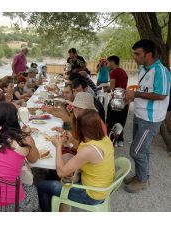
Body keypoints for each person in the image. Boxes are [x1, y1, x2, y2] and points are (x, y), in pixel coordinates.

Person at [37, 110, 115, 212]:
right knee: (65, 160)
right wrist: (72, 140)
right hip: (101, 187)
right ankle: (58, 200)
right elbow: (85, 149)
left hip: (92, 195)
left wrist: (58, 146)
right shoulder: (104, 138)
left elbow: (61, 172)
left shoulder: (89, 150)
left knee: (42, 186)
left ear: (81, 129)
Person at [124, 39, 170, 193]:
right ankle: (140, 176)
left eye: (137, 54)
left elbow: (161, 95)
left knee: (136, 150)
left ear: (148, 54)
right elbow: (144, 91)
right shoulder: (143, 69)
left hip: (150, 119)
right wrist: (131, 97)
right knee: (143, 149)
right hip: (139, 114)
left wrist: (135, 93)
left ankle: (143, 180)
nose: (134, 57)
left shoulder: (161, 71)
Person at [0, 102, 40, 211]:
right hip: (11, 205)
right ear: (15, 118)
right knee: (32, 187)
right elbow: (34, 159)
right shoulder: (24, 140)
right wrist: (27, 135)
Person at [106, 55, 129, 147]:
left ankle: (112, 140)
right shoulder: (123, 72)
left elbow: (112, 88)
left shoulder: (113, 72)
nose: (107, 65)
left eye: (107, 63)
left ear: (112, 62)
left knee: (111, 120)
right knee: (121, 120)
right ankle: (120, 140)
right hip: (124, 100)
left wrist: (106, 88)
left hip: (115, 101)